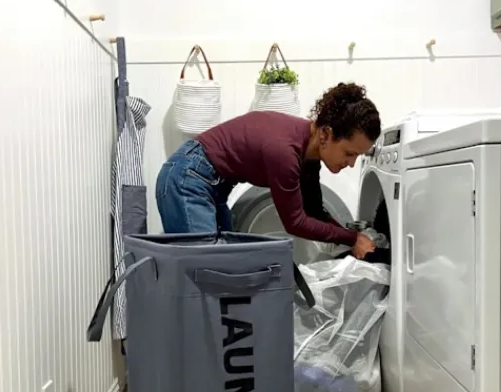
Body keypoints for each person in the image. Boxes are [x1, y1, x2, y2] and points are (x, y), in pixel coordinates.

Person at [156, 82, 381, 259]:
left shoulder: (309, 157)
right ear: (326, 135)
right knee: (206, 269)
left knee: (223, 266)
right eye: (349, 153)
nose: (351, 163)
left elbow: (314, 213)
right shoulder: (286, 151)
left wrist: (353, 239)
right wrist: (352, 239)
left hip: (209, 185)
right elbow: (295, 222)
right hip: (188, 178)